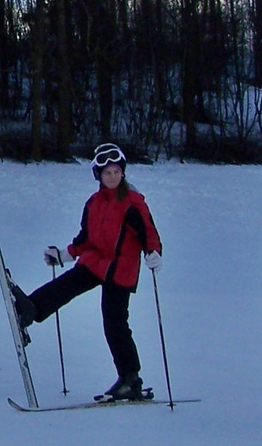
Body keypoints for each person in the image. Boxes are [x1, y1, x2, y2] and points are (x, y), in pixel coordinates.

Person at [11, 144, 162, 402]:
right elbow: (84, 239)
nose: (113, 176)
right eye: (107, 173)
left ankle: (130, 379)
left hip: (120, 268)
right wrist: (64, 254)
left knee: (114, 322)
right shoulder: (93, 203)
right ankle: (31, 309)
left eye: (116, 171)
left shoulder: (133, 202)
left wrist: (153, 252)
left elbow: (149, 232)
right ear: (98, 176)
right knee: (68, 283)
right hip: (97, 260)